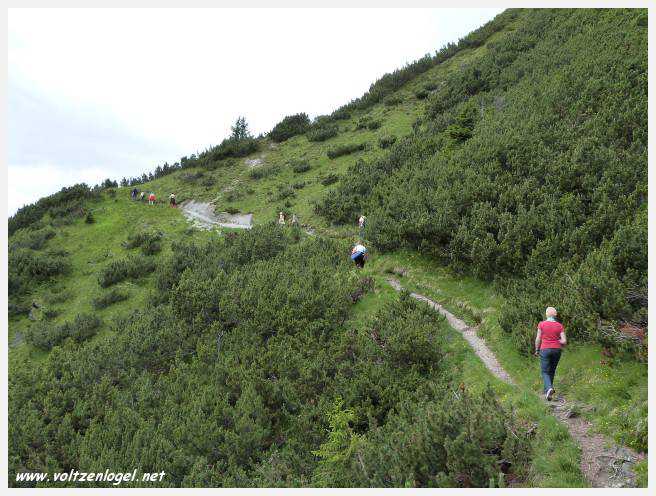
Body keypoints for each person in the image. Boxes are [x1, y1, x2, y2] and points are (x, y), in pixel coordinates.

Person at [535, 306, 567, 401]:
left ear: (546, 314)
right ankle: (548, 392)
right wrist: (557, 341)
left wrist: (537, 349)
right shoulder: (559, 326)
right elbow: (564, 341)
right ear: (555, 315)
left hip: (545, 349)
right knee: (552, 371)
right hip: (557, 350)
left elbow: (538, 338)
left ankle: (549, 388)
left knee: (545, 371)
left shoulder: (542, 324)